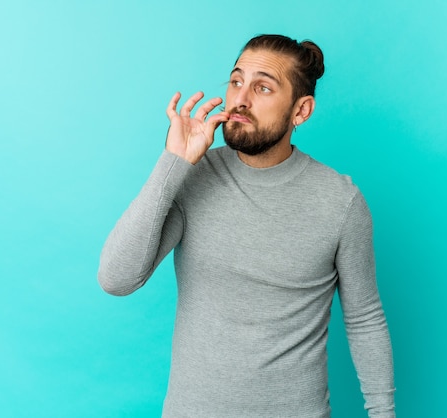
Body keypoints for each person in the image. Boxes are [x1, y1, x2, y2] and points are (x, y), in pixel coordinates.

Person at [98, 34, 395, 418]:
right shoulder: (193, 177)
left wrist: (383, 413)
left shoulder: (341, 202)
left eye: (263, 87)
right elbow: (117, 279)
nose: (241, 98)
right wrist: (173, 163)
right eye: (236, 81)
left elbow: (365, 318)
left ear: (301, 111)